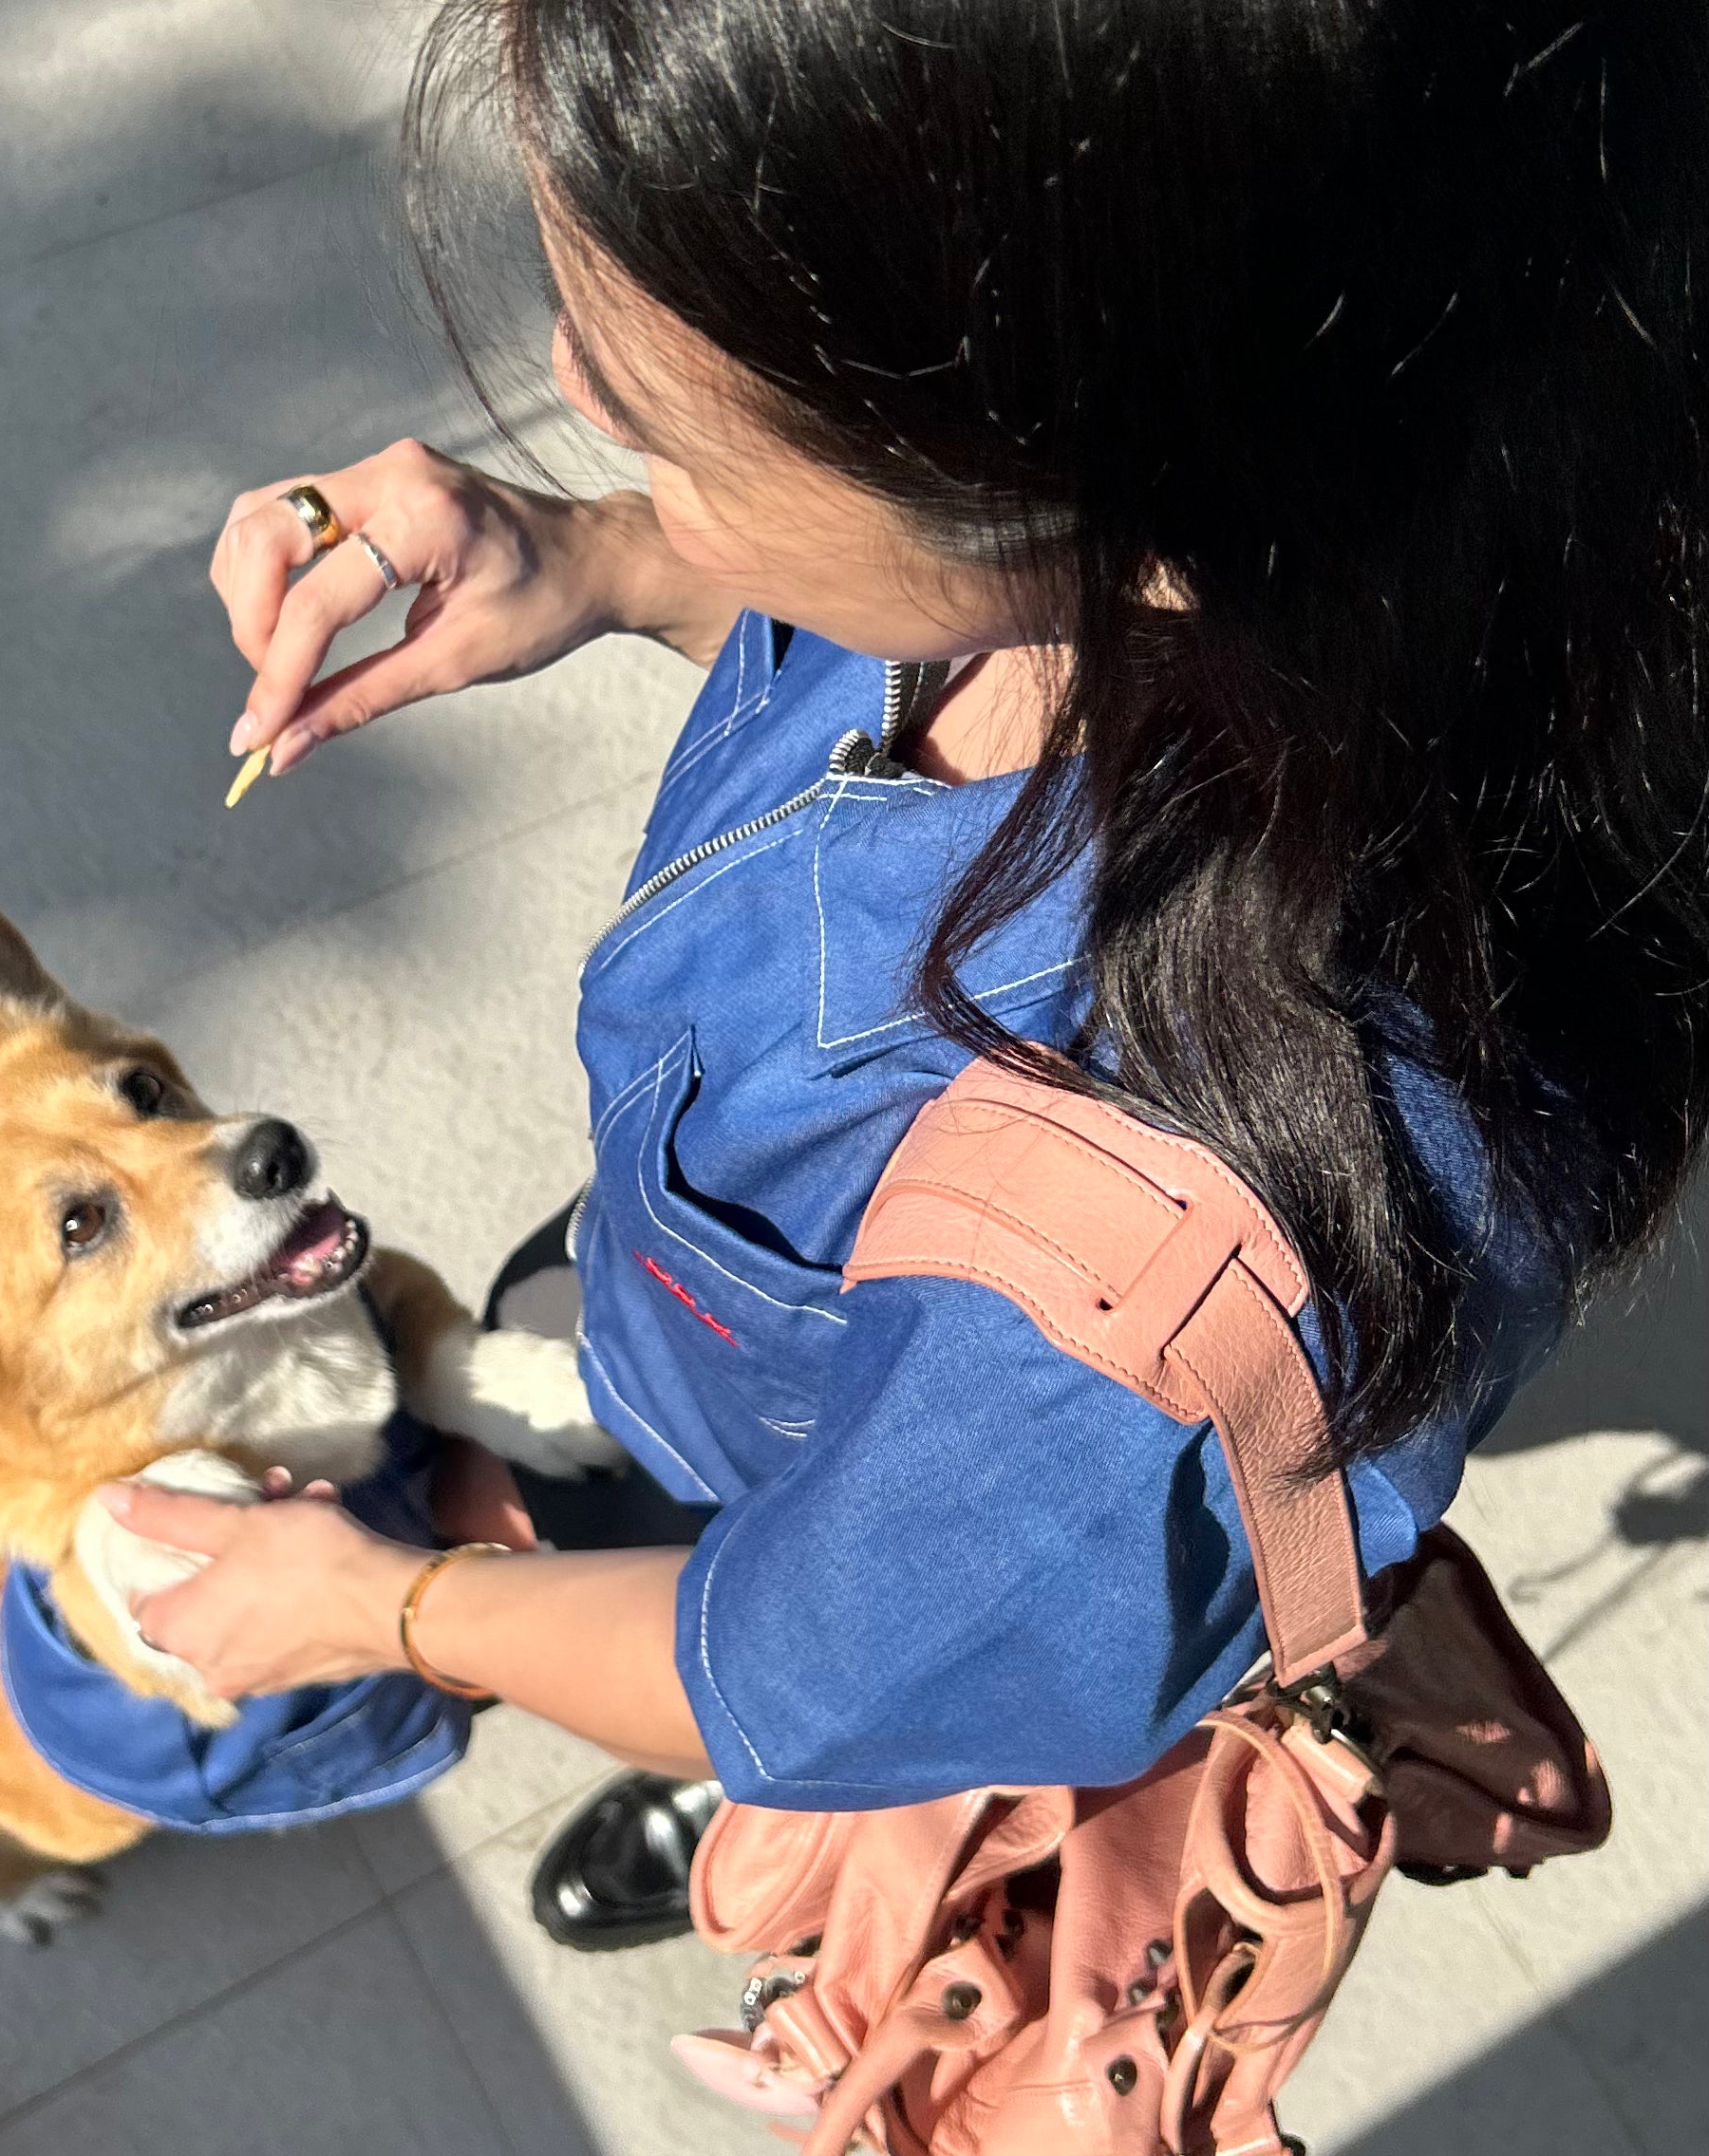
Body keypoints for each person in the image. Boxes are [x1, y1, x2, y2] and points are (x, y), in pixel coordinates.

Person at [100, 0, 1709, 1948]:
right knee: (594, 1383)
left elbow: (790, 1670)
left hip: (834, 1494)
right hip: (709, 1306)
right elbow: (904, 611)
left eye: (657, 419)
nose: (558, 387)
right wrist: (609, 554)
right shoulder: (1214, 549)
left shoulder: (1167, 1255)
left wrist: (375, 1610)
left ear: (1054, 468)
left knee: (812, 1688)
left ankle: (744, 1835)